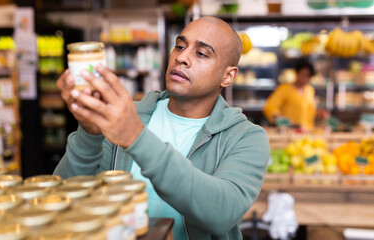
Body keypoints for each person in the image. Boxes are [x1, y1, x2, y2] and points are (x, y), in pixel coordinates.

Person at [54, 16, 269, 240]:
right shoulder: (126, 116)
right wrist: (89, 133)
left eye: (201, 53)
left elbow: (223, 213)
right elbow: (64, 199)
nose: (182, 58)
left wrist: (136, 137)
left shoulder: (246, 137)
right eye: (180, 46)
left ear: (228, 76)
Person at [263, 60, 323, 131]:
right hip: (290, 131)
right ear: (297, 73)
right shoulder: (285, 88)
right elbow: (269, 107)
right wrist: (278, 116)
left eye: (308, 76)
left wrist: (319, 113)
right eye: (303, 75)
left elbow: (307, 110)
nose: (306, 79)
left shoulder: (310, 90)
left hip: (308, 131)